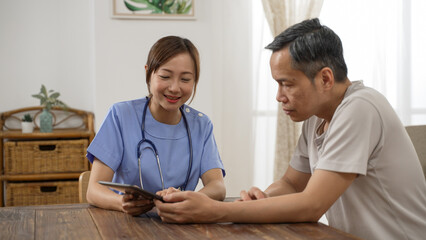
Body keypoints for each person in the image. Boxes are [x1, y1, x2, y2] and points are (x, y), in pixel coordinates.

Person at [154, 19, 426, 240]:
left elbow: (311, 205)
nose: (279, 96)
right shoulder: (316, 116)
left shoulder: (361, 108)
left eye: (287, 84)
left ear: (325, 79)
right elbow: (293, 184)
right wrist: (261, 198)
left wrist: (215, 210)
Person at [86, 36, 226, 216]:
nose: (175, 88)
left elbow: (218, 187)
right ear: (148, 73)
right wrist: (121, 202)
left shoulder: (201, 125)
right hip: (126, 225)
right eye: (165, 76)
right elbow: (93, 190)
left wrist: (189, 201)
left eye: (185, 79)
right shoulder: (121, 115)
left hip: (179, 224)